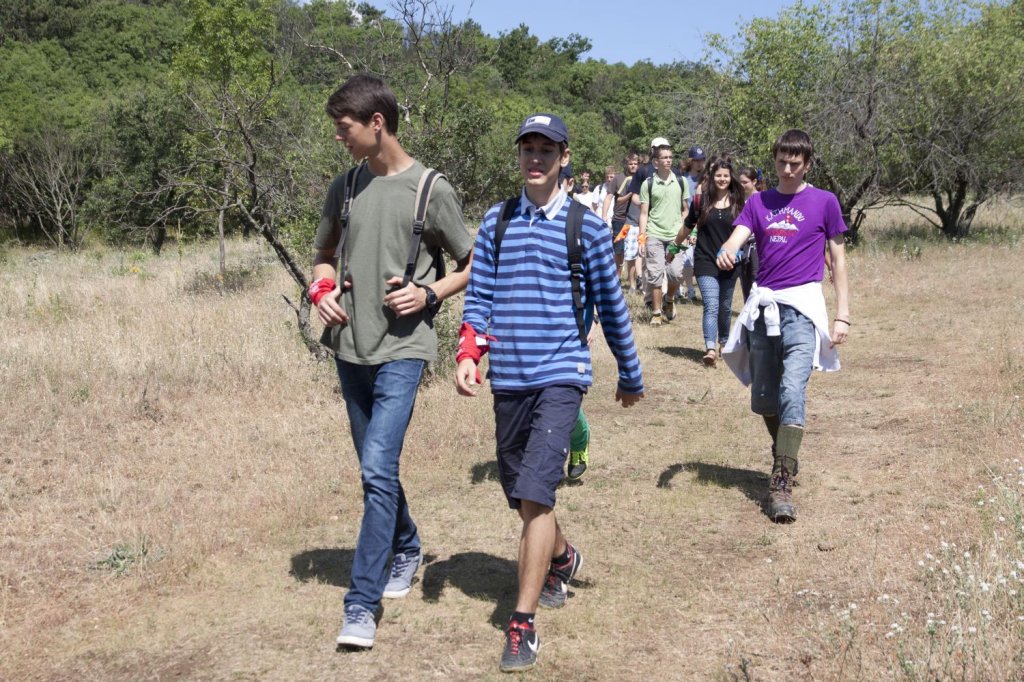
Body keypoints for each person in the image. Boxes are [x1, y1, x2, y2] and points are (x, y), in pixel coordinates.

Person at [455, 113, 644, 673]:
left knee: (537, 492)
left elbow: (611, 306)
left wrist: (630, 375)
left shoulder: (586, 227)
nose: (535, 158)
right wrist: (468, 354)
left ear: (564, 157)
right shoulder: (496, 221)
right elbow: (479, 296)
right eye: (527, 149)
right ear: (518, 155)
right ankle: (562, 556)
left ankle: (522, 623)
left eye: (546, 150)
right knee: (520, 493)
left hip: (562, 373)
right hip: (509, 377)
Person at [310, 75, 474, 649]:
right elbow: (323, 255)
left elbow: (472, 263)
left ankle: (361, 604)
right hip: (349, 348)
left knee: (377, 467)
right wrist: (321, 290)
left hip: (404, 349)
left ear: (376, 124)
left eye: (344, 128)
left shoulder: (431, 189)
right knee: (374, 469)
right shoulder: (345, 187)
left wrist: (429, 294)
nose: (339, 138)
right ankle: (406, 545)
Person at [716, 129, 850, 524]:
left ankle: (781, 480)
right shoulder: (758, 202)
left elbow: (838, 260)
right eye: (781, 163)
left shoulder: (825, 202)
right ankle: (785, 451)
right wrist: (727, 251)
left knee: (792, 389)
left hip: (802, 310)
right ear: (774, 162)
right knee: (764, 399)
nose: (787, 170)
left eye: (795, 164)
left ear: (807, 164)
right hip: (764, 311)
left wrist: (842, 314)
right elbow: (737, 238)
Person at [681, 157, 745, 367]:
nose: (722, 179)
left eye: (726, 175)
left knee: (725, 306)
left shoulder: (739, 203)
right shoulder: (701, 201)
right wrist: (674, 246)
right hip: (705, 259)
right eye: (718, 175)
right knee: (711, 304)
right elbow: (688, 225)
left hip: (730, 262)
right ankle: (710, 348)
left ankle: (724, 342)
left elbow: (746, 231)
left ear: (731, 177)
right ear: (712, 177)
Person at [638, 143, 690, 326]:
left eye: (670, 157)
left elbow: (685, 210)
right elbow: (643, 214)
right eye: (664, 157)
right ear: (656, 162)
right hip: (654, 234)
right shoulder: (648, 184)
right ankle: (656, 312)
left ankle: (669, 300)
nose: (668, 160)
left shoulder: (681, 182)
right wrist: (642, 239)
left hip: (676, 236)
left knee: (675, 274)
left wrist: (687, 232)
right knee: (655, 275)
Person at [604, 153, 641, 284]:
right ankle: (617, 277)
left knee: (636, 250)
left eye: (635, 164)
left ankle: (636, 279)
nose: (633, 166)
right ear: (626, 164)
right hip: (620, 220)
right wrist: (604, 216)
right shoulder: (618, 178)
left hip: (636, 221)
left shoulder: (641, 178)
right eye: (631, 164)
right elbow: (609, 197)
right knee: (619, 250)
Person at [736, 165, 762, 301]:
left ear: (754, 182)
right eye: (739, 182)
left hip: (758, 246)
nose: (742, 185)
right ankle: (748, 308)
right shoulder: (737, 200)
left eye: (745, 182)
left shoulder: (762, 199)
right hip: (742, 247)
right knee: (745, 280)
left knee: (756, 280)